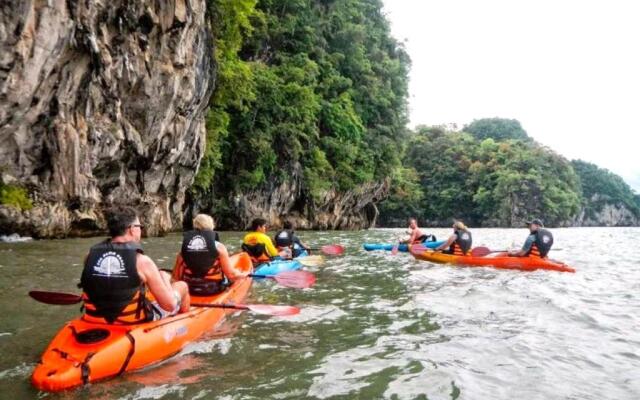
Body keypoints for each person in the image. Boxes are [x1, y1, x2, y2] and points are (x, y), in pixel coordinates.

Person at [80, 206, 190, 324]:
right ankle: (186, 323)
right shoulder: (142, 261)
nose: (140, 230)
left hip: (94, 320)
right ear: (132, 229)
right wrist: (166, 281)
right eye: (139, 227)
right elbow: (169, 305)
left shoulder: (90, 255)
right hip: (129, 322)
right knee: (182, 286)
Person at [172, 214, 250, 296]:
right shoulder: (219, 247)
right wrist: (244, 274)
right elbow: (231, 275)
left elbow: (175, 278)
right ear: (211, 226)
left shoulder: (184, 249)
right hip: (212, 289)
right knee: (234, 279)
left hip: (190, 289)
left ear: (194, 226)